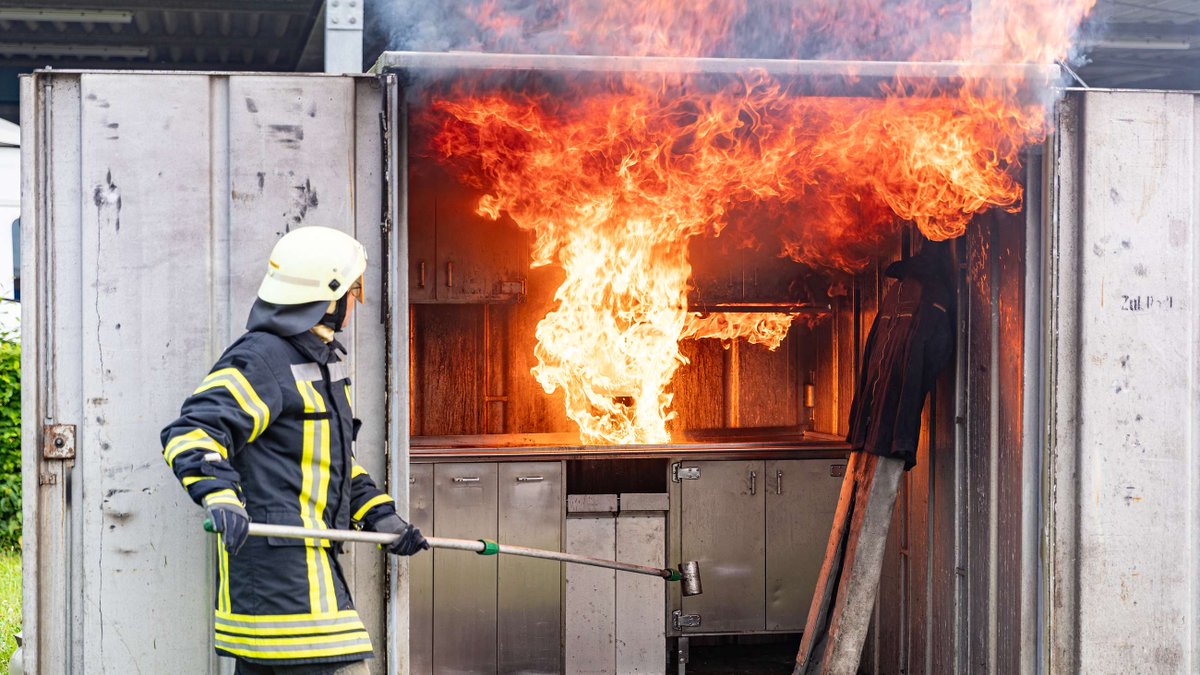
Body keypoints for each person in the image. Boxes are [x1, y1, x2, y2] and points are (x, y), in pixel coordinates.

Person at [161, 226, 428, 673]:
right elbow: (193, 430)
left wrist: (380, 515)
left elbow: (328, 462)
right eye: (352, 290)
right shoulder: (263, 358)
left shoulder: (312, 361)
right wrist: (219, 495)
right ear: (328, 299)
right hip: (280, 583)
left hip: (303, 577)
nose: (355, 303)